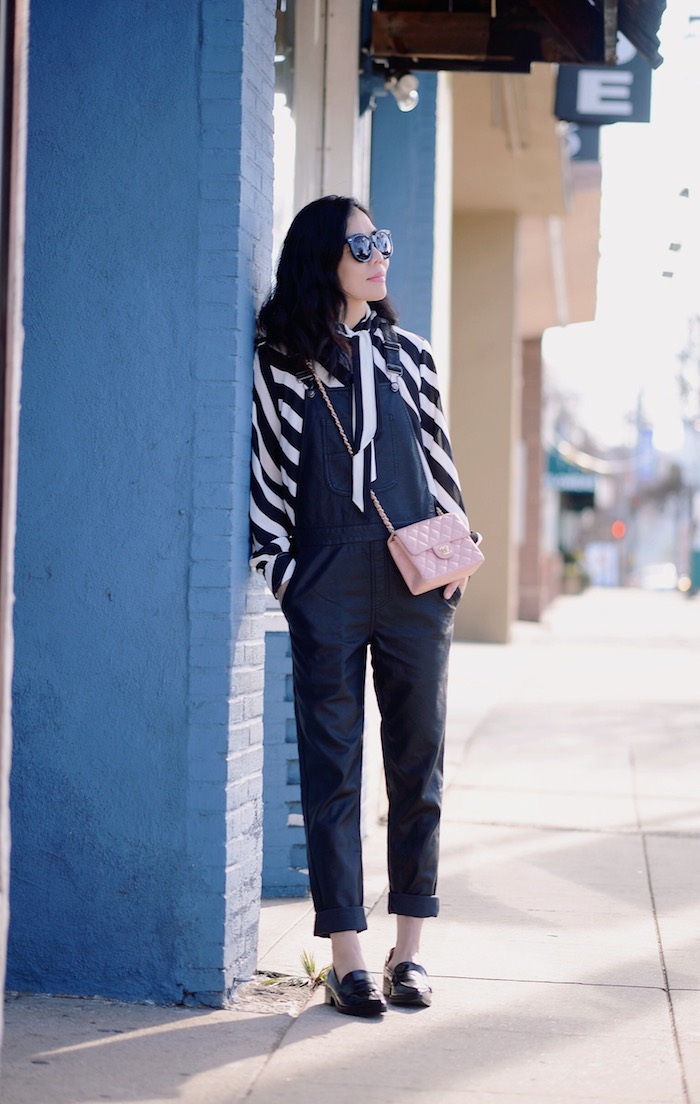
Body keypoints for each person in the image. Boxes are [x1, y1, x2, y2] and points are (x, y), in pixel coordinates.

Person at [250, 195, 475, 1017]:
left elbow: (438, 461)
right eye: (362, 245)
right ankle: (346, 955)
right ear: (324, 259)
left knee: (419, 763)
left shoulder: (409, 354)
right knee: (331, 765)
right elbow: (271, 473)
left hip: (416, 581)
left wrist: (458, 553)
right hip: (328, 580)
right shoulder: (280, 358)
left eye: (382, 240)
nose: (381, 256)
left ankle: (409, 952)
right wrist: (286, 577)